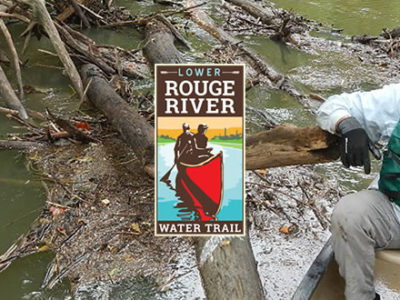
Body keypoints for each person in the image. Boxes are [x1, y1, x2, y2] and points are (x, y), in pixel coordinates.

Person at [317, 83, 400, 300]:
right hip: (394, 212)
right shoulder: (396, 99)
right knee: (350, 214)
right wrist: (348, 125)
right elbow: (332, 106)